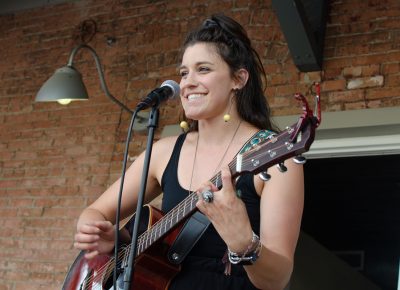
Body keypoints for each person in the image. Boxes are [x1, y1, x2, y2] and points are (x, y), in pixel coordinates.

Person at [73, 13, 304, 290]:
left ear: (239, 79)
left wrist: (244, 243)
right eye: (184, 72)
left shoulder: (272, 154)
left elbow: (277, 280)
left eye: (203, 69)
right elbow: (94, 212)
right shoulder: (165, 151)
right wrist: (106, 237)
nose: (187, 82)